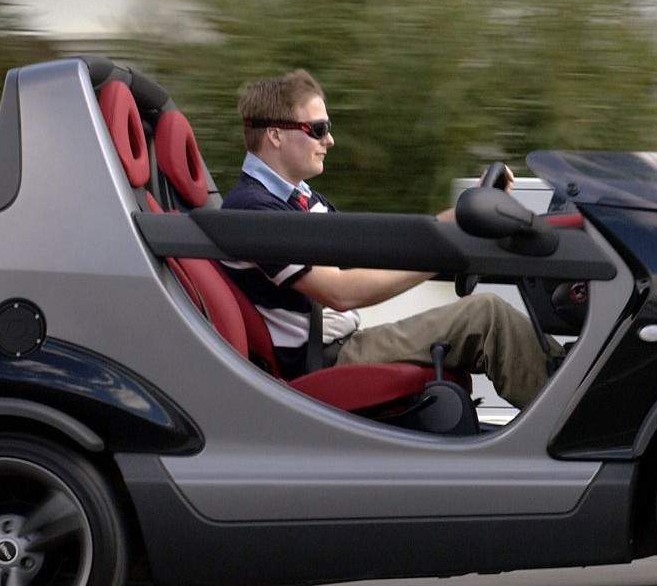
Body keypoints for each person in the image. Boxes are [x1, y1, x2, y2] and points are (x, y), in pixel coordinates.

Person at [221, 68, 557, 409]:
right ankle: (570, 414)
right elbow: (340, 292)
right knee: (487, 317)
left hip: (343, 345)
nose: (329, 140)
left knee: (484, 314)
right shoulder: (255, 211)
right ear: (275, 135)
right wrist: (442, 254)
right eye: (318, 129)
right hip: (324, 359)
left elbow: (372, 247)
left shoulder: (301, 200)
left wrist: (459, 216)